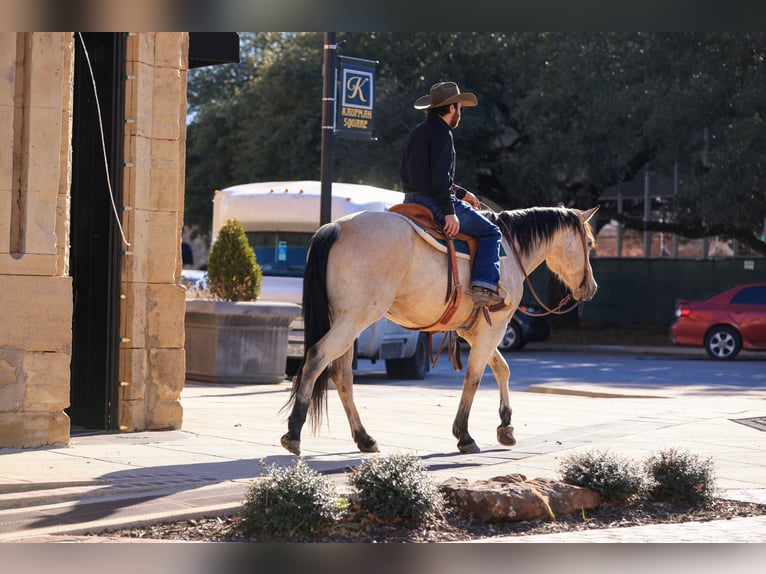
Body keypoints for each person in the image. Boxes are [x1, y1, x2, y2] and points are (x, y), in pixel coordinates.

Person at [400, 81, 503, 307]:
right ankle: (483, 286)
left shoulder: (419, 131)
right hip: (435, 203)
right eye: (459, 108)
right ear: (451, 108)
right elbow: (438, 178)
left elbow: (428, 176)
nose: (460, 113)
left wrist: (461, 193)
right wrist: (449, 212)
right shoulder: (442, 133)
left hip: (409, 200)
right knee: (491, 232)